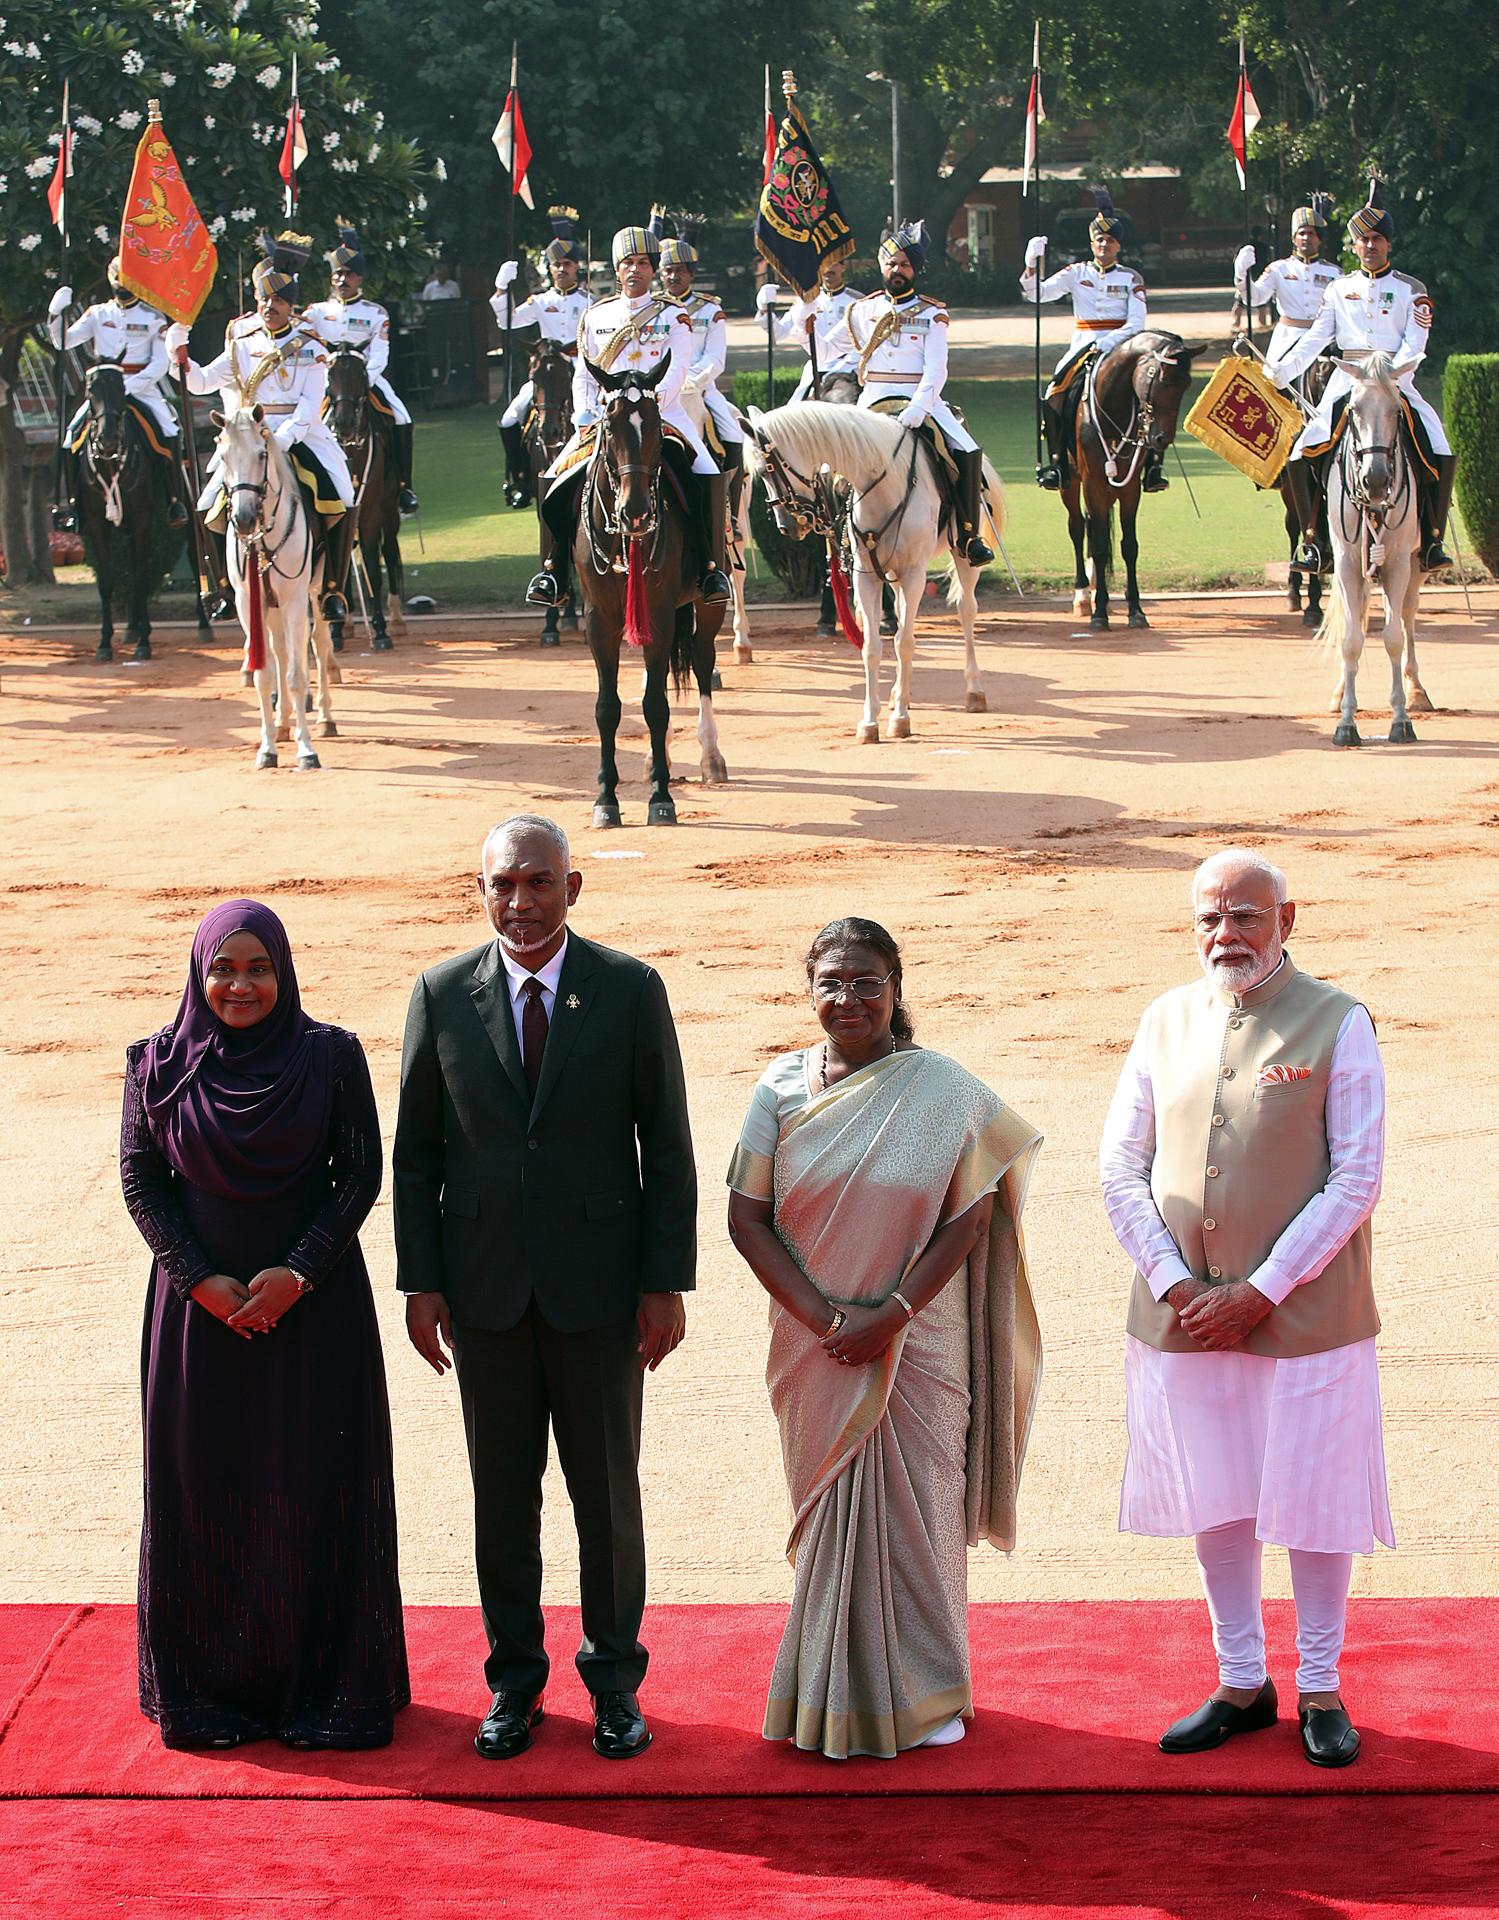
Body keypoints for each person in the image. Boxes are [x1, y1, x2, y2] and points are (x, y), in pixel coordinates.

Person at [392, 815, 697, 1763]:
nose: (519, 902)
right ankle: (514, 1687)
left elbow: (669, 1147)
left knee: (606, 1498)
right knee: (501, 1501)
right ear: (479, 890)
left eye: (537, 883)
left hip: (601, 1296)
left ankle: (614, 1687)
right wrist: (420, 1282)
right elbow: (416, 1157)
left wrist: (663, 1283)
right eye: (502, 885)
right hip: (481, 1297)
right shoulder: (441, 994)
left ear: (573, 889)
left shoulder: (629, 990)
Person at [1100, 849, 1392, 1771]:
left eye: (1244, 917)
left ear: (1286, 920)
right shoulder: (1163, 1018)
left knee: (1313, 1502)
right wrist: (1178, 1287)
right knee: (1215, 1497)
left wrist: (1259, 1292)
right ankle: (1239, 1681)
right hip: (1183, 1317)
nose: (1225, 935)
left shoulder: (1338, 1022)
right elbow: (1118, 1168)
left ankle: (1316, 1687)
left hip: (1306, 1318)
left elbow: (1356, 1177)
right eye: (1208, 919)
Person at [726, 918, 1043, 1760]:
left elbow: (968, 1221)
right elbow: (744, 1219)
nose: (849, 999)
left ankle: (928, 1690)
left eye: (866, 981)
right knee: (831, 1513)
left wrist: (891, 1314)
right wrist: (830, 1322)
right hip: (814, 1347)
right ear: (810, 991)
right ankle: (826, 1696)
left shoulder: (941, 1090)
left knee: (917, 1518)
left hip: (919, 1344)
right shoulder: (779, 1089)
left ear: (896, 988)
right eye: (831, 982)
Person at [119, 900, 408, 1751]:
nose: (239, 985)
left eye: (257, 969)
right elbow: (143, 1181)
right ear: (198, 973)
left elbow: (358, 1174)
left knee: (315, 1482)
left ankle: (328, 1695)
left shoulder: (330, 1057)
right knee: (202, 1485)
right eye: (223, 969)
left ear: (283, 973)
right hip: (195, 1320)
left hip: (315, 1318)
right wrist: (197, 1278)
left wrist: (298, 1272)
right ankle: (208, 1695)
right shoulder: (153, 1064)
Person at [525, 225, 731, 609]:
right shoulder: (597, 315)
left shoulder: (674, 316)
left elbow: (678, 368)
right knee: (554, 477)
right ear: (617, 270)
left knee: (705, 472)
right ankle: (552, 571)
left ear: (653, 270)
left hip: (662, 415)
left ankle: (709, 567)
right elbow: (585, 373)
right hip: (609, 419)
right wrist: (584, 413)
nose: (634, 270)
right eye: (627, 264)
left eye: (642, 263)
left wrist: (651, 404)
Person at [166, 232, 357, 622]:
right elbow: (201, 382)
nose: (271, 307)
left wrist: (283, 439)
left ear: (291, 305)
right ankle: (219, 586)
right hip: (247, 437)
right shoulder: (240, 341)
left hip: (296, 434)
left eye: (280, 301)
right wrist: (178, 357)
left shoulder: (311, 346)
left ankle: (333, 589)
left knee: (343, 493)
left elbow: (308, 405)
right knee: (207, 505)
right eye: (265, 300)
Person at [1270, 179, 1454, 574]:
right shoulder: (1339, 288)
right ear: (1354, 246)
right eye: (1363, 240)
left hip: (1395, 380)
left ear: (1389, 244)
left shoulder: (1412, 289)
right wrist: (1282, 369)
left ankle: (1433, 539)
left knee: (1440, 443)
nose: (1370, 246)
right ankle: (1313, 542)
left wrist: (1389, 374)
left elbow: (1416, 342)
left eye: (1377, 240)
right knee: (1301, 453)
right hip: (1348, 382)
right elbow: (1316, 338)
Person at [825, 221, 995, 562]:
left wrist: (918, 408)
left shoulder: (933, 313)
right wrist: (804, 319)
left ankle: (967, 535)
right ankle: (841, 536)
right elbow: (828, 348)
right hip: (873, 397)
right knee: (832, 465)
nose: (897, 270)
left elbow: (936, 369)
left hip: (920, 397)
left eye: (904, 264)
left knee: (965, 448)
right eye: (891, 263)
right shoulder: (863, 309)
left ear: (915, 269)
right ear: (881, 266)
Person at [1020, 189, 1160, 491]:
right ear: (1092, 243)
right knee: (1054, 390)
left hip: (1123, 346)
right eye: (1100, 239)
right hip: (1083, 343)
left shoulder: (1130, 278)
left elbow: (1137, 322)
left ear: (1118, 245)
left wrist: (1112, 342)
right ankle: (1057, 462)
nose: (1104, 245)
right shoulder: (1076, 272)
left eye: (1110, 240)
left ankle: (1152, 466)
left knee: (1150, 393)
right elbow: (1037, 294)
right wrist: (1031, 263)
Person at [47, 256, 190, 530]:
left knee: (170, 430)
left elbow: (160, 362)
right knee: (70, 437)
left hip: (141, 387)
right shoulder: (97, 314)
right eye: (119, 279)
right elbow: (63, 341)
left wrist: (129, 386)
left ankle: (175, 500)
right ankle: (74, 505)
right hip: (104, 392)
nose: (123, 285)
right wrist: (56, 312)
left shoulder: (153, 317)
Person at [303, 224, 420, 515]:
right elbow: (301, 340)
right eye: (338, 274)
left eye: (349, 274)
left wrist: (364, 380)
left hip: (365, 379)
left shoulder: (375, 313)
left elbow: (380, 352)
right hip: (329, 381)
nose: (343, 279)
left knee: (402, 416)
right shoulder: (316, 312)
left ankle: (404, 486)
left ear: (359, 278)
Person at [491, 208, 591, 507]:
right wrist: (501, 287)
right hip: (546, 369)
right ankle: (519, 479)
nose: (561, 270)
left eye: (567, 264)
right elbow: (506, 321)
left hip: (580, 367)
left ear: (577, 267)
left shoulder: (590, 301)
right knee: (510, 418)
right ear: (549, 268)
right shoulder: (541, 301)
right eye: (556, 264)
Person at [656, 216, 746, 524]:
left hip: (700, 388)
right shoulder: (652, 311)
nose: (673, 276)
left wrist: (693, 379)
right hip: (662, 390)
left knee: (734, 434)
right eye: (668, 270)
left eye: (679, 270)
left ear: (691, 274)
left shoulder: (710, 310)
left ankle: (730, 507)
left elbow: (716, 358)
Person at [1232, 201, 1339, 377]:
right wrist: (1241, 273)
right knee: (1273, 381)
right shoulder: (1279, 269)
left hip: (1323, 339)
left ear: (1319, 239)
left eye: (1311, 233)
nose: (1306, 238)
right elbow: (1256, 298)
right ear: (1293, 238)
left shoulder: (1334, 273)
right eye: (1302, 233)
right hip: (1287, 337)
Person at [756, 258, 863, 403]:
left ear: (843, 267)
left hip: (848, 369)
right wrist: (764, 310)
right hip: (815, 369)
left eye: (834, 263)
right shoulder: (806, 301)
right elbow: (779, 334)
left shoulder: (858, 302)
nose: (828, 269)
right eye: (823, 264)